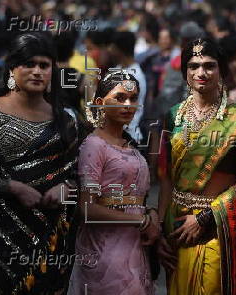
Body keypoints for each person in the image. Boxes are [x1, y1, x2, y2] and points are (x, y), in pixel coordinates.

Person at [0, 32, 79, 294]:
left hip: (52, 237)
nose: (37, 71)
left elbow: (79, 174)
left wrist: (65, 189)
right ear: (12, 69)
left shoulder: (65, 119)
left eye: (44, 65)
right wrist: (13, 187)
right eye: (29, 64)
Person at [157, 38, 236, 295]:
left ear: (222, 70)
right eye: (193, 66)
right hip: (178, 229)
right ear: (184, 72)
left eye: (209, 66)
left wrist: (205, 218)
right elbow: (166, 179)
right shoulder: (172, 116)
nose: (200, 73)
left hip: (215, 226)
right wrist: (160, 230)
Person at [67, 70, 159, 295]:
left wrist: (151, 213)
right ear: (100, 103)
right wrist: (141, 220)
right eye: (120, 98)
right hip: (104, 249)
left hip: (134, 246)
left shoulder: (129, 145)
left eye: (133, 99)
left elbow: (135, 196)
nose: (128, 105)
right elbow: (87, 208)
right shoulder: (94, 145)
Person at [108, 31, 147, 143]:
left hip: (128, 137)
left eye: (112, 47)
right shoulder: (118, 68)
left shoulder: (135, 76)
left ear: (119, 50)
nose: (110, 50)